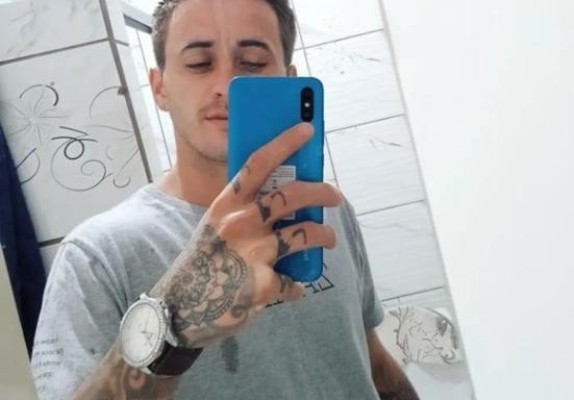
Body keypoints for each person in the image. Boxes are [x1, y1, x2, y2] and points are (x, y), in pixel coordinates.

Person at [30, 0, 420, 399]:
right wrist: (178, 319)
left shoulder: (326, 212)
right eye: (199, 63)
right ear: (160, 87)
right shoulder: (98, 256)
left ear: (288, 80)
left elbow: (371, 361)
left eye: (252, 63)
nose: (226, 85)